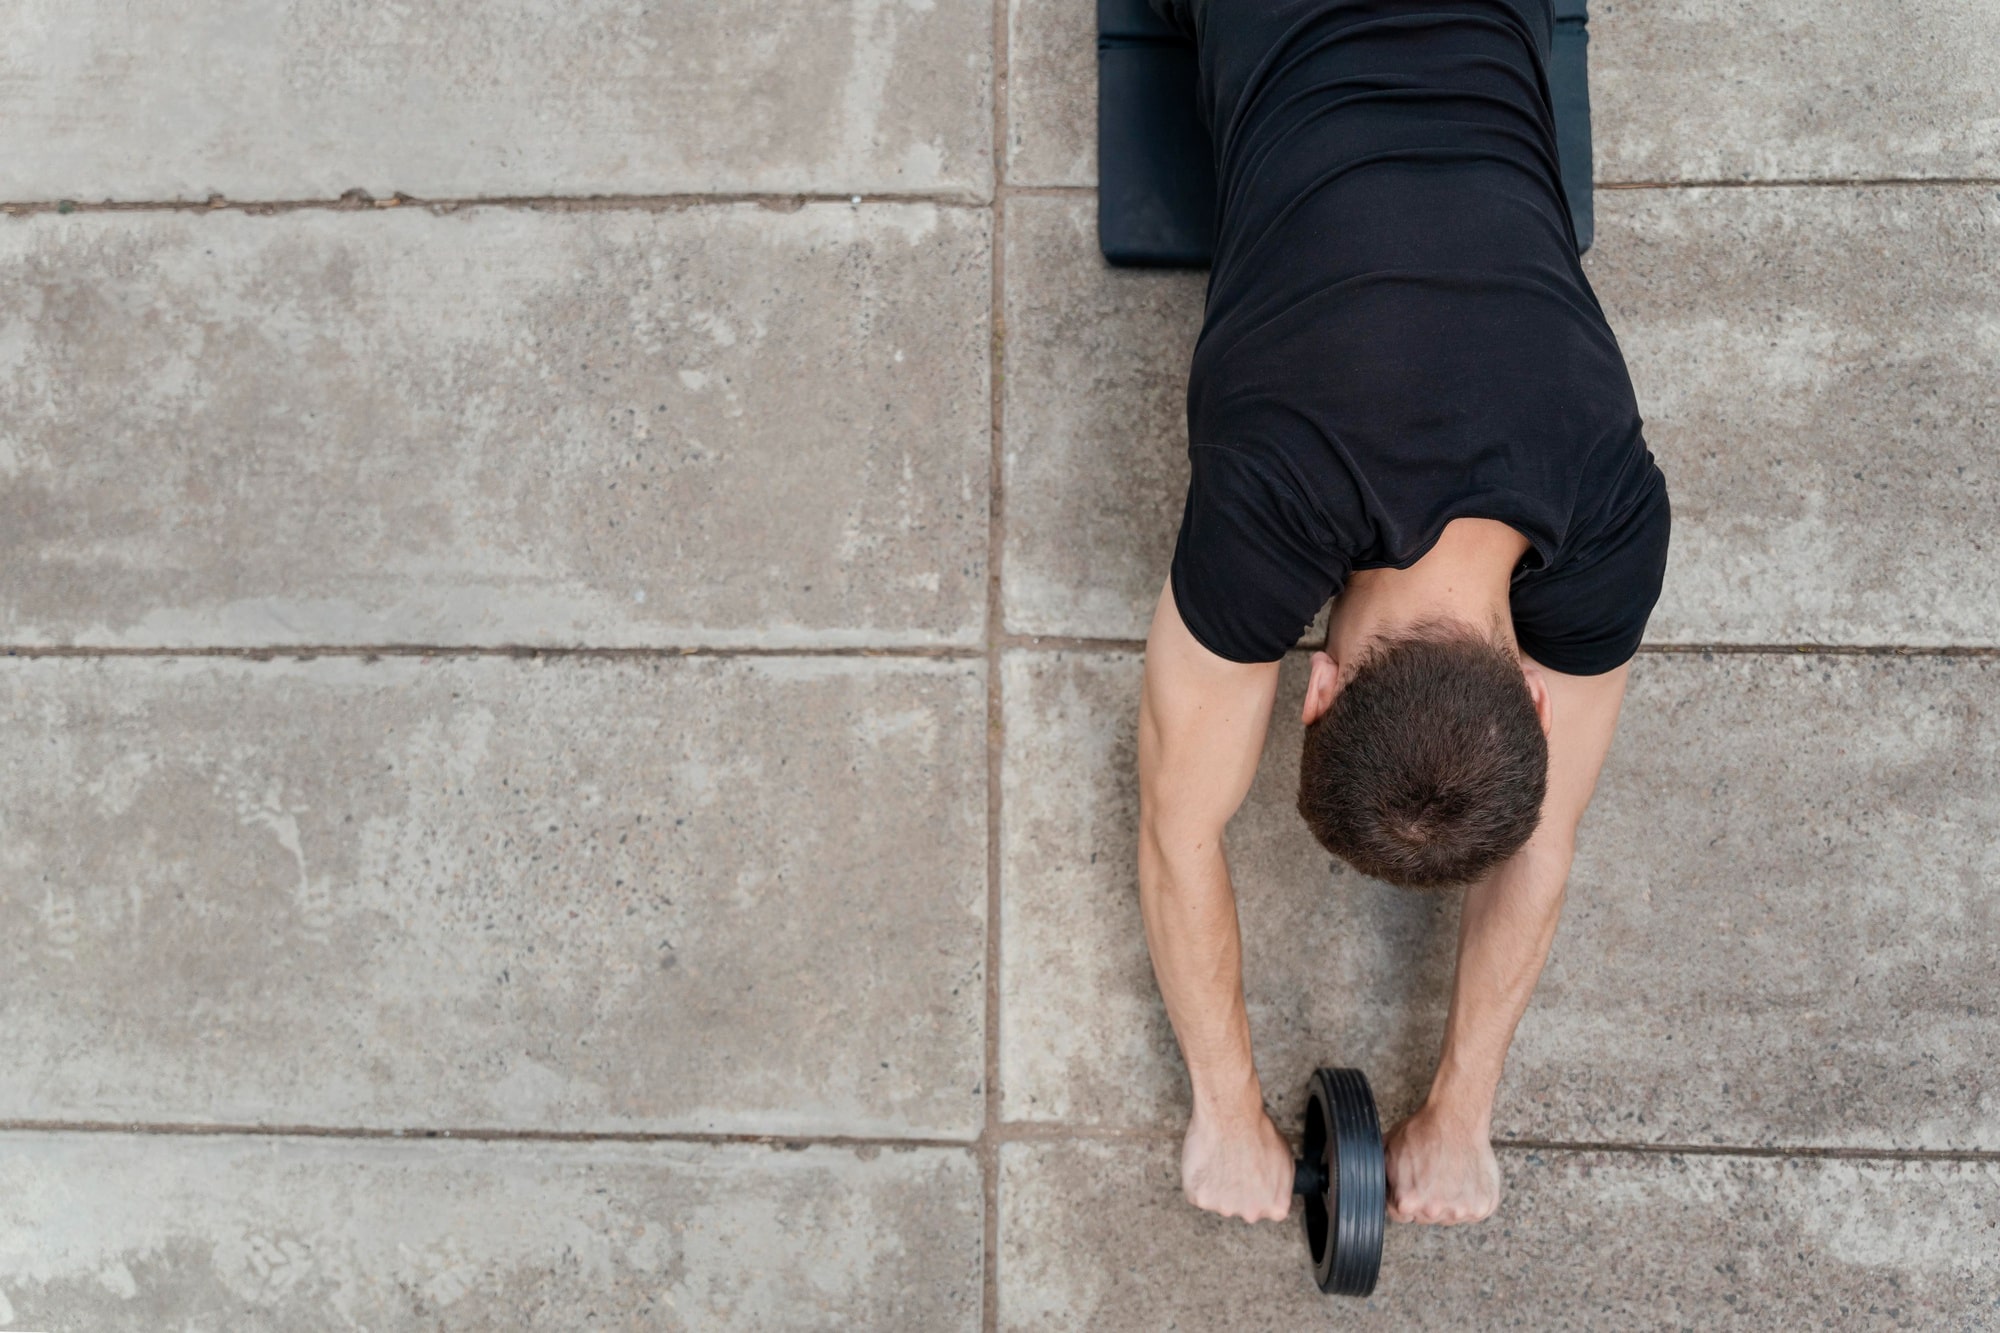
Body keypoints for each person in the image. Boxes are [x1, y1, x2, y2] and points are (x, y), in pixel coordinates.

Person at [1135, 0, 1671, 1227]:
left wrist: (1462, 1113)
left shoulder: (1609, 504)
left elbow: (1538, 828)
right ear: (1312, 690)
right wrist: (1226, 1115)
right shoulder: (1268, 498)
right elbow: (1172, 832)